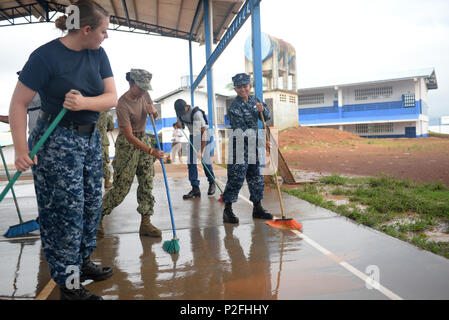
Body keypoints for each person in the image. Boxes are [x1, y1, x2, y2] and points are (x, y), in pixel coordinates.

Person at [8, 0, 117, 300]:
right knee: (64, 215)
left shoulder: (98, 54)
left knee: (91, 207)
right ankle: (69, 285)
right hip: (56, 141)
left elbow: (111, 98)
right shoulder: (45, 57)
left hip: (90, 140)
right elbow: (17, 104)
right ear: (86, 29)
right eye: (104, 31)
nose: (106, 37)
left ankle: (81, 263)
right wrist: (20, 149)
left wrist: (83, 103)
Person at [99, 69, 164, 238]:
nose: (143, 91)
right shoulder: (122, 104)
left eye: (145, 88)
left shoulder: (145, 94)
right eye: (140, 87)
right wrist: (151, 151)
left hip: (144, 140)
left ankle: (146, 223)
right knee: (121, 188)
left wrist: (154, 112)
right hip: (128, 146)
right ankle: (97, 217)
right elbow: (128, 135)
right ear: (131, 83)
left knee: (147, 183)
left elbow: (153, 114)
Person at [221, 73, 273, 224]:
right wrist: (261, 142)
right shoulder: (234, 108)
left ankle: (258, 208)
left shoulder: (255, 100)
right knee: (236, 179)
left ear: (249, 86)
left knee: (256, 178)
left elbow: (267, 117)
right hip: (239, 148)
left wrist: (262, 109)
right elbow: (241, 131)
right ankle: (228, 210)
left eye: (245, 86)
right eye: (239, 87)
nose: (242, 89)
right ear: (235, 89)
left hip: (253, 148)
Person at [174, 99, 215, 199]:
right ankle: (195, 189)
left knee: (205, 161)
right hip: (193, 136)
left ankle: (212, 182)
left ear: (186, 106)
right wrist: (179, 125)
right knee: (191, 163)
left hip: (204, 135)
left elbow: (203, 132)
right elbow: (182, 125)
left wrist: (201, 151)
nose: (180, 114)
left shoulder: (196, 114)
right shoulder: (179, 113)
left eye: (182, 111)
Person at [96, 110, 114, 189]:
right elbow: (111, 128)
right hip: (102, 141)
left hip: (90, 140)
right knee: (104, 162)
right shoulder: (106, 114)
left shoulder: (90, 111)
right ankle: (107, 182)